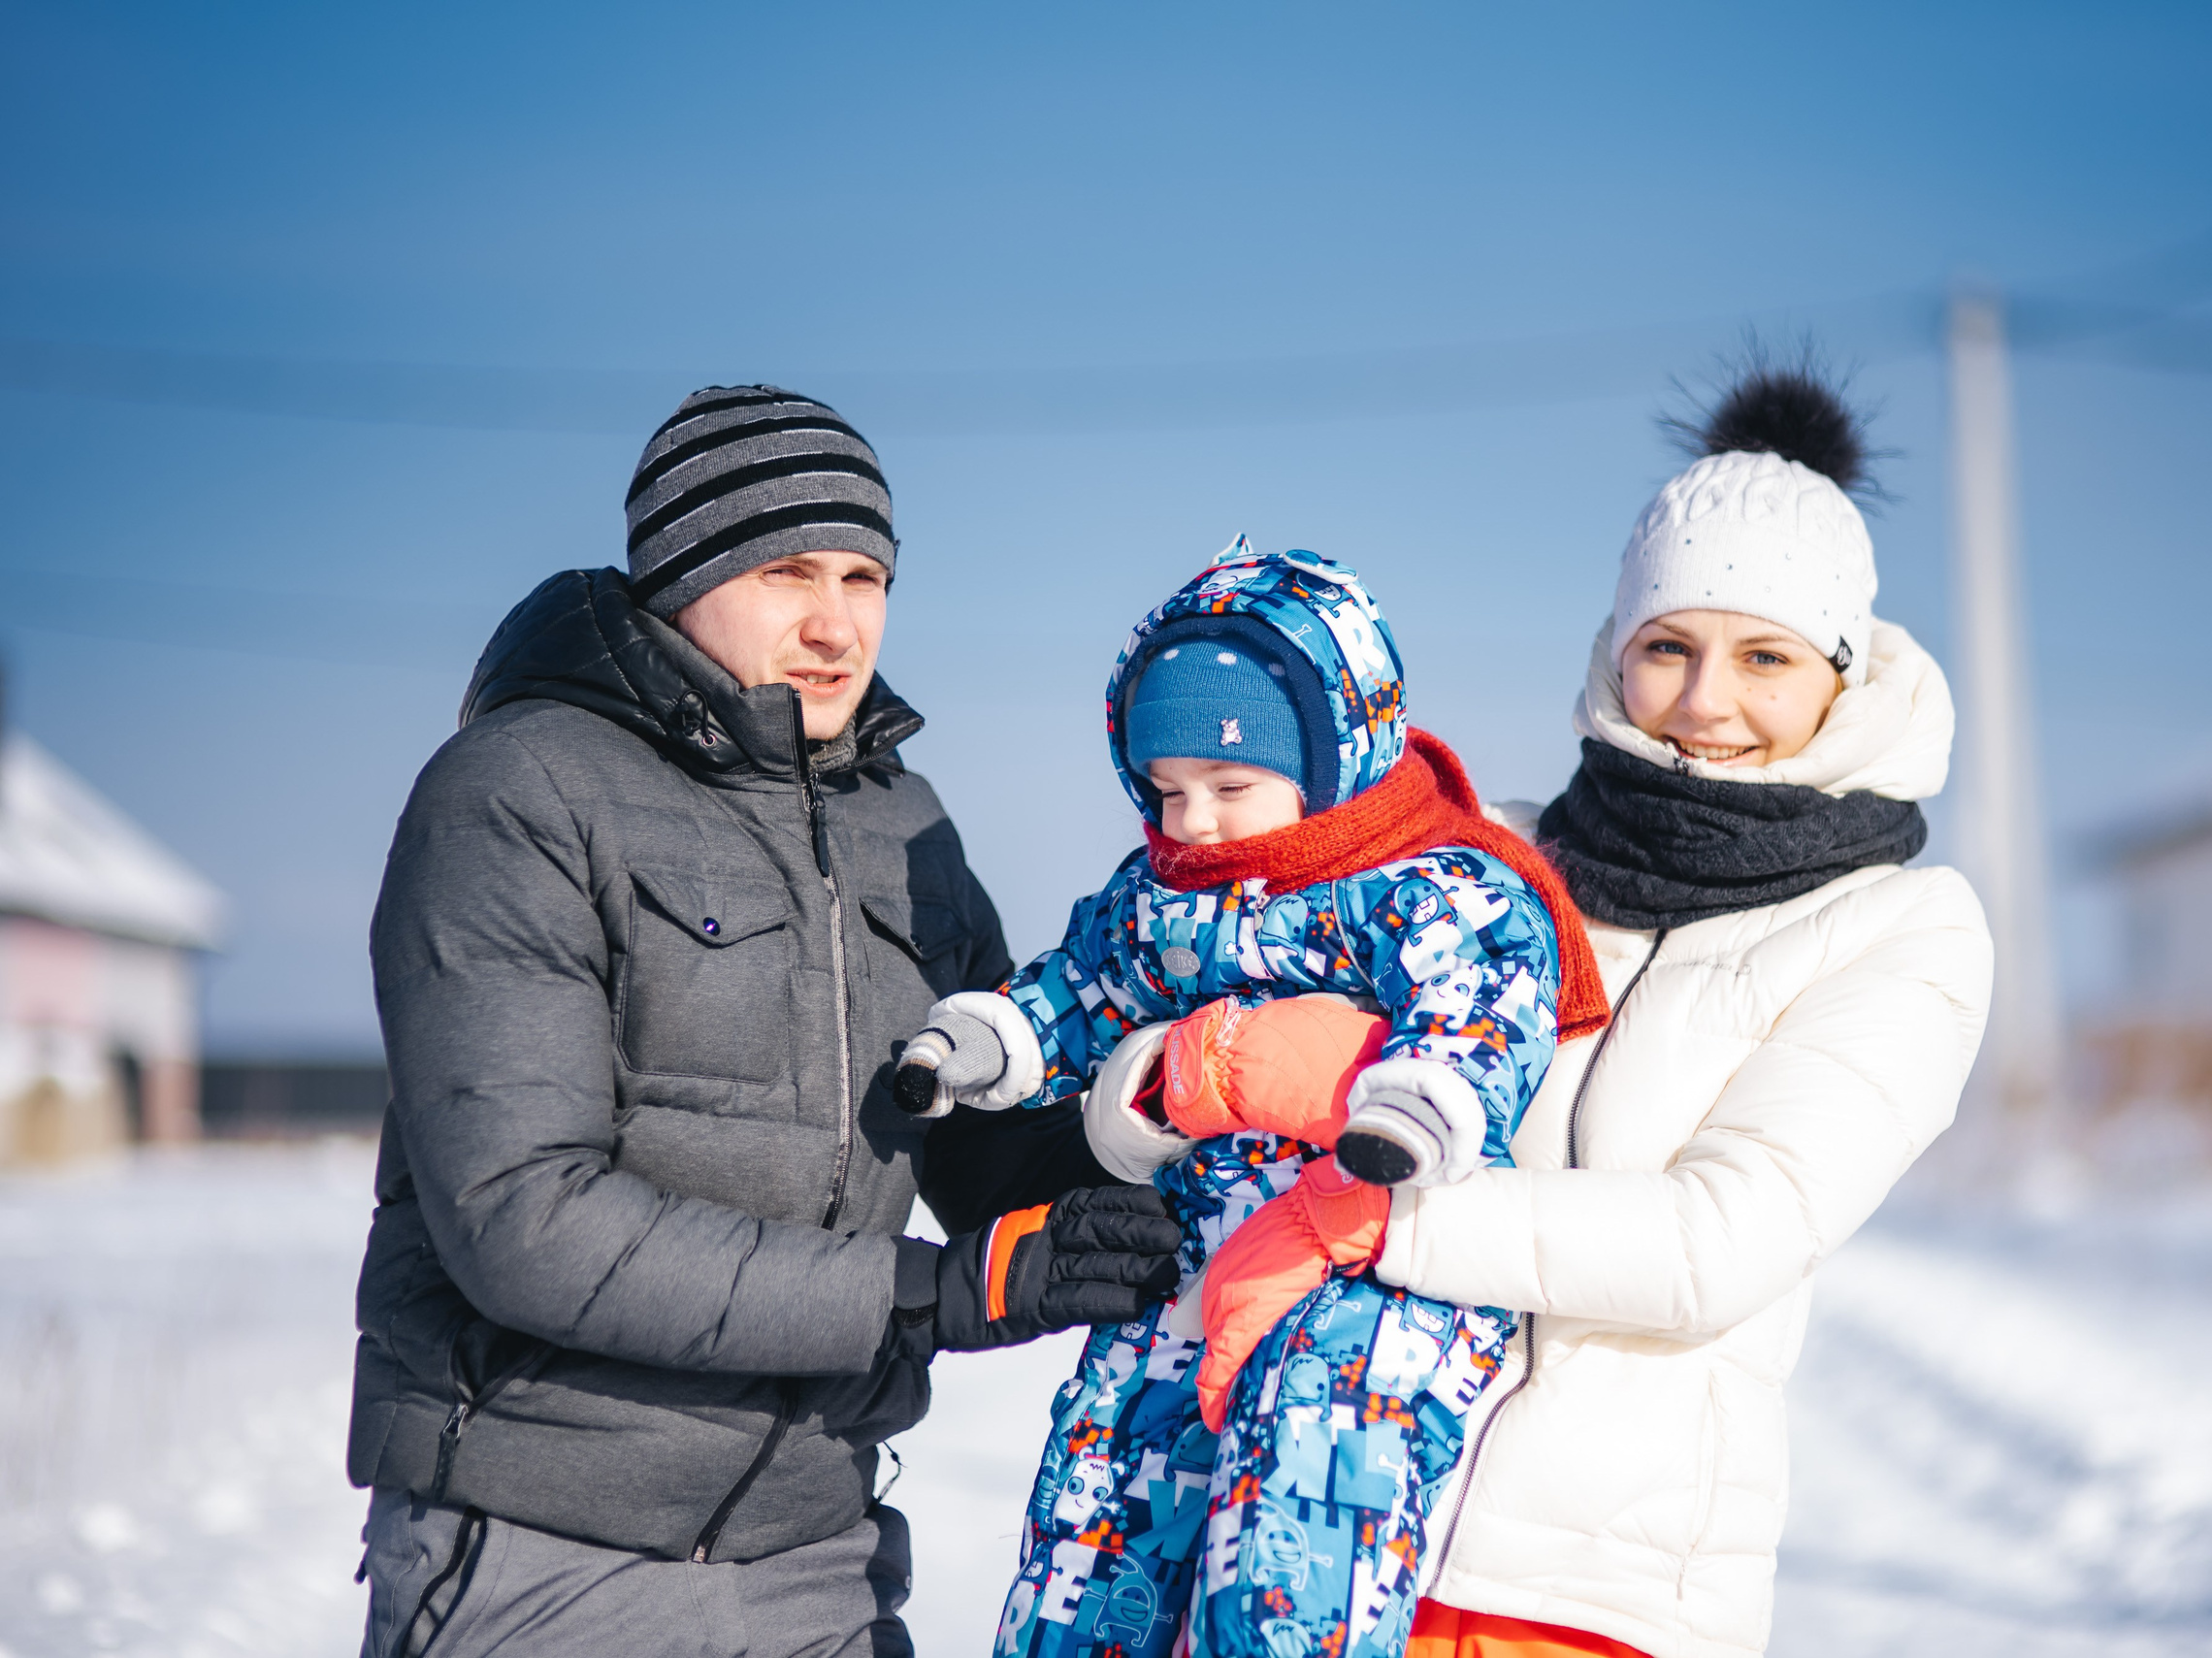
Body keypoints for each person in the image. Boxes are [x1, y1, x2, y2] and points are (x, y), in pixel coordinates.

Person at [1112, 365, 1995, 1657]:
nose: (1706, 702)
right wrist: (1151, 1088)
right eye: (1667, 648)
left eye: (1765, 656)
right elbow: (1251, 1057)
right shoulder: (1487, 865)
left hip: (1595, 1602)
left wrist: (1370, 1217)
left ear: (1841, 674)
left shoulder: (1902, 929)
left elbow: (1715, 1243)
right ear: (1615, 652)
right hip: (1336, 1540)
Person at [348, 384, 1182, 1658]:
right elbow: (525, 1220)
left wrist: (1193, 1115)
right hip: (550, 1549)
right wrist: (929, 1296)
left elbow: (995, 1155)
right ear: (683, 571)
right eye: (791, 571)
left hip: (818, 1548)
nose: (838, 625)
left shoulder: (903, 824)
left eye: (865, 577)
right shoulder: (520, 790)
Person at [895, 540, 1608, 1658]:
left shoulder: (1439, 881)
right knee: (1107, 1481)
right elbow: (1078, 984)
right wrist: (997, 1036)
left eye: (1229, 787)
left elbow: (1478, 1007)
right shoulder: (1157, 895)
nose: (1193, 823)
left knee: (1307, 1489)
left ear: (1333, 757)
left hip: (1375, 1262)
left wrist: (1416, 1101)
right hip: (1188, 1245)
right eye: (1166, 790)